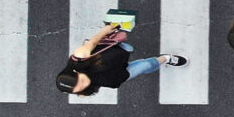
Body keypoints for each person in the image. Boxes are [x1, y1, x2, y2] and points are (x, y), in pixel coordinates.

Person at [57, 21, 185, 96]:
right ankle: (166, 58)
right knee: (146, 66)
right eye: (79, 88)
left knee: (128, 48)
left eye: (79, 81)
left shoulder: (79, 58)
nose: (84, 84)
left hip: (114, 57)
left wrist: (105, 31)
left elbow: (92, 43)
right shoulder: (84, 89)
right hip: (119, 75)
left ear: (75, 72)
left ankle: (162, 59)